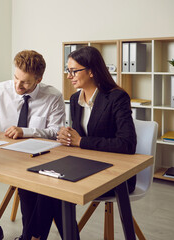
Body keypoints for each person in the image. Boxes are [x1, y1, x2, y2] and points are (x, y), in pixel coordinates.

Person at [29, 46, 137, 240]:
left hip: (115, 174)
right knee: (46, 182)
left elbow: (127, 144)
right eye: (68, 70)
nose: (69, 75)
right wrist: (67, 136)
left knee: (54, 189)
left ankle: (33, 237)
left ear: (91, 71)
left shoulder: (117, 98)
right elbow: (80, 138)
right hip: (83, 165)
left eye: (73, 71)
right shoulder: (75, 98)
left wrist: (81, 141)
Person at [0, 50, 66, 240]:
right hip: (5, 155)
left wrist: (25, 131)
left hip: (37, 158)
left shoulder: (53, 96)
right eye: (16, 77)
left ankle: (29, 236)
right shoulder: (2, 89)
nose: (18, 85)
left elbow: (56, 132)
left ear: (38, 79)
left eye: (25, 82)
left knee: (27, 187)